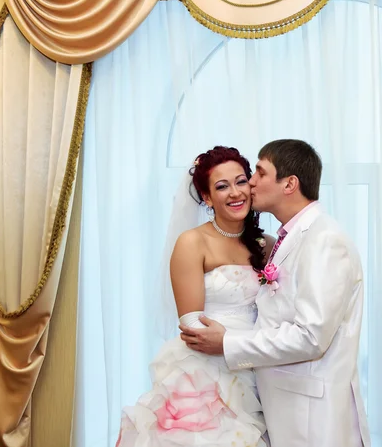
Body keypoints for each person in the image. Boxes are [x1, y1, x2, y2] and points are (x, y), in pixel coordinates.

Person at [180, 139, 371, 447]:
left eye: (258, 173)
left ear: (289, 184)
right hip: (267, 400)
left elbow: (311, 336)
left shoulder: (323, 240)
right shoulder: (288, 238)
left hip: (311, 417)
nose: (250, 183)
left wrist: (228, 341)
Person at [116, 146, 274, 447]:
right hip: (206, 372)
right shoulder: (192, 242)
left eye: (241, 181)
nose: (235, 193)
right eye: (221, 186)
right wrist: (235, 348)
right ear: (206, 197)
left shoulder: (266, 244)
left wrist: (254, 351)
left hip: (260, 366)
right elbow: (191, 322)